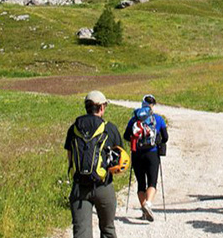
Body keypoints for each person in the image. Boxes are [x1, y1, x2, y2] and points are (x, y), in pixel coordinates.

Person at [64, 91, 124, 238]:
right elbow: (120, 157)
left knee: (81, 232)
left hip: (79, 188)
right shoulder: (110, 128)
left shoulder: (74, 128)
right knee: (108, 229)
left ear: (86, 107)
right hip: (104, 186)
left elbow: (70, 158)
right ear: (102, 107)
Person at [123, 94, 169, 222]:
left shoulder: (134, 119)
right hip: (152, 153)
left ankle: (144, 209)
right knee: (152, 182)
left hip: (137, 154)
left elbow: (126, 136)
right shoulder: (158, 119)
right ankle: (148, 204)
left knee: (141, 184)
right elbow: (165, 137)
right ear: (153, 105)